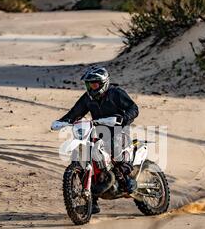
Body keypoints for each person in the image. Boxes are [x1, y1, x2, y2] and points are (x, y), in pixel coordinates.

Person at [51, 66, 139, 214]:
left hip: (119, 129)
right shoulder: (88, 98)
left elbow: (134, 108)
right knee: (86, 157)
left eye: (94, 84)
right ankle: (92, 203)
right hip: (98, 131)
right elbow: (75, 113)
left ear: (103, 83)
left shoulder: (116, 93)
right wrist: (62, 122)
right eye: (89, 84)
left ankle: (127, 180)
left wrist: (124, 118)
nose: (91, 87)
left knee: (115, 151)